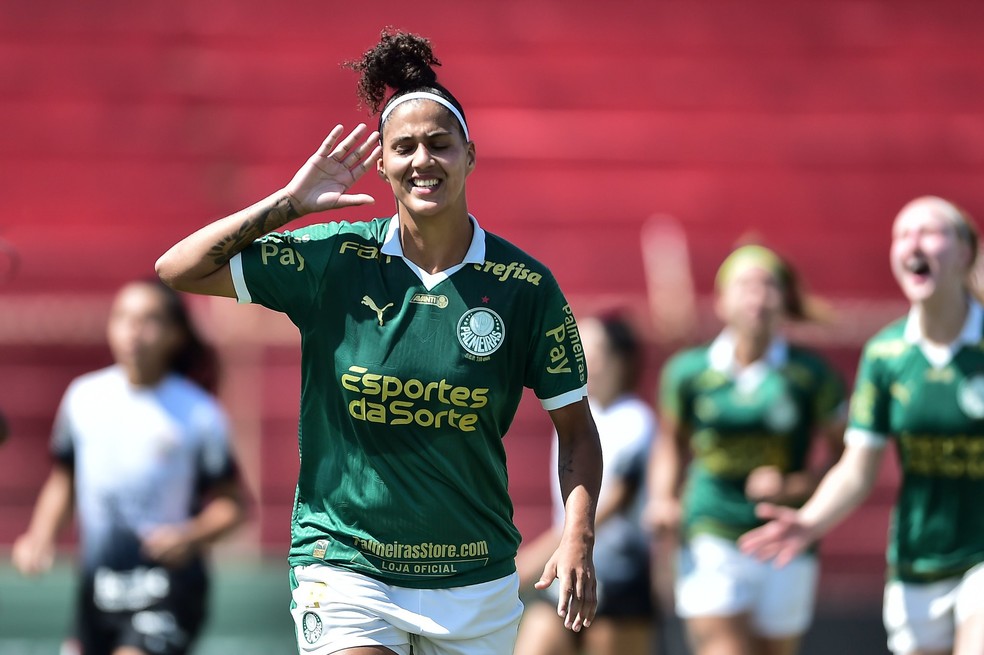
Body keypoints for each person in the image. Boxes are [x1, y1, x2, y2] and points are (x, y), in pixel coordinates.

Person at [155, 28, 603, 655]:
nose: (423, 160)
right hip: (345, 567)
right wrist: (290, 202)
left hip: (474, 577)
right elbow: (179, 267)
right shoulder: (337, 258)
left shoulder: (525, 287)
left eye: (440, 145)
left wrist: (577, 534)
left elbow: (577, 429)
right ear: (384, 163)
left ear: (470, 154)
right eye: (405, 148)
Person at [740, 196, 984, 655]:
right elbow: (857, 468)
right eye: (902, 234)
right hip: (919, 560)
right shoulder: (886, 355)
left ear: (965, 252)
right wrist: (810, 520)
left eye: (930, 232)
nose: (914, 243)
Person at [11, 279, 245, 655]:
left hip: (168, 585)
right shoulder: (83, 397)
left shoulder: (199, 413)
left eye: (149, 319)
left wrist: (189, 536)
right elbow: (64, 479)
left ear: (175, 335)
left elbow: (234, 507)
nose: (133, 329)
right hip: (98, 588)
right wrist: (40, 536)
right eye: (122, 317)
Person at [647, 244, 847, 655]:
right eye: (745, 285)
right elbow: (669, 443)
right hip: (711, 530)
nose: (757, 296)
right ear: (721, 301)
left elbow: (846, 459)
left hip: (785, 535)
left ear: (784, 300)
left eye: (768, 285)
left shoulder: (812, 375)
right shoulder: (689, 372)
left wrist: (793, 486)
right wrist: (663, 498)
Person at [515, 313, 657, 655]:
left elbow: (611, 503)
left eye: (589, 348)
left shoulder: (636, 420)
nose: (576, 354)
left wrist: (530, 561)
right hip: (563, 577)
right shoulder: (574, 418)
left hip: (619, 581)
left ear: (618, 360)